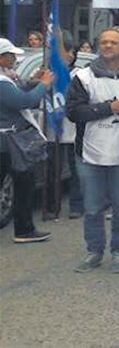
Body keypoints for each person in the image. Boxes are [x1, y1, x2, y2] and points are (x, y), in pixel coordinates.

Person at [65, 28, 119, 273]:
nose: (108, 46)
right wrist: (108, 107)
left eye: (113, 42)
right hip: (90, 153)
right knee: (92, 208)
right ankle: (94, 251)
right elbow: (73, 112)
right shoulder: (83, 77)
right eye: (104, 42)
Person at [0, 37, 55, 243]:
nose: (15, 59)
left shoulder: (6, 79)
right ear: (1, 59)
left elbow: (19, 92)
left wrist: (33, 82)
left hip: (6, 141)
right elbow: (26, 101)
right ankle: (23, 230)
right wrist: (43, 85)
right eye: (11, 56)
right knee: (23, 183)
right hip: (9, 142)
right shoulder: (2, 82)